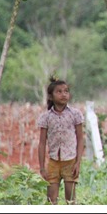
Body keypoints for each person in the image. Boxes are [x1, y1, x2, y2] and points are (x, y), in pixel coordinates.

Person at [37, 76, 84, 205]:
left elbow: (80, 139)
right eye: (59, 91)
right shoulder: (46, 117)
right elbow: (42, 143)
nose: (64, 94)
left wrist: (78, 162)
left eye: (66, 91)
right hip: (53, 162)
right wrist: (42, 167)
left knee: (70, 200)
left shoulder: (75, 114)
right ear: (51, 96)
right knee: (51, 200)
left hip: (70, 161)